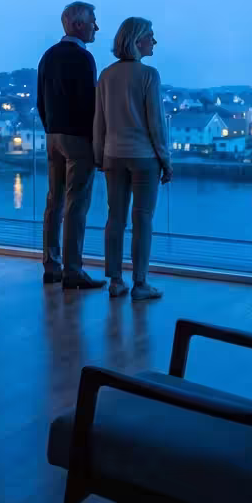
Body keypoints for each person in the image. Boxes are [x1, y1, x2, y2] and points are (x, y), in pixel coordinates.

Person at [94, 16, 171, 300]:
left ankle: (115, 280)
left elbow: (98, 121)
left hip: (113, 155)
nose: (154, 41)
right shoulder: (149, 75)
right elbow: (156, 125)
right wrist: (166, 160)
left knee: (115, 219)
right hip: (143, 157)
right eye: (150, 35)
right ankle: (140, 283)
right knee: (143, 220)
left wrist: (98, 154)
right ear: (137, 40)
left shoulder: (106, 75)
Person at [36, 2, 106, 290]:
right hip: (78, 138)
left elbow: (40, 101)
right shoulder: (83, 58)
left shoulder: (48, 56)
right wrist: (97, 141)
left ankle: (51, 265)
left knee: (54, 202)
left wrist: (50, 128)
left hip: (53, 136)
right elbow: (90, 104)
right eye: (93, 21)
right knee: (76, 205)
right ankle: (73, 270)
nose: (96, 27)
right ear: (79, 25)